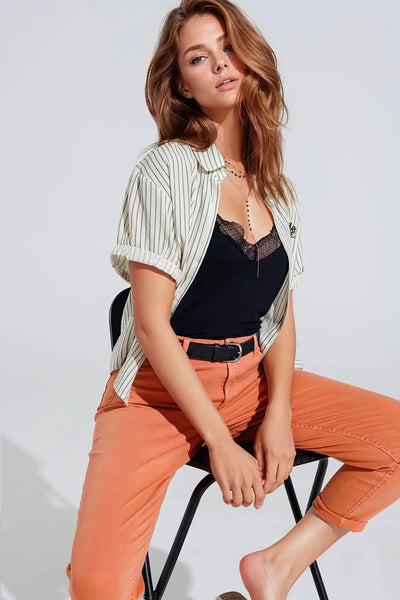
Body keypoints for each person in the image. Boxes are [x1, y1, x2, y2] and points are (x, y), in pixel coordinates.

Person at [65, 1, 400, 599]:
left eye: (228, 48)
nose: (221, 64)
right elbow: (149, 324)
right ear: (181, 85)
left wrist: (278, 415)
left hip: (251, 381)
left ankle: (276, 567)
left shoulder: (274, 184)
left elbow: (280, 313)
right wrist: (220, 443)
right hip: (158, 394)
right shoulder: (164, 172)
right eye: (199, 58)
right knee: (95, 586)